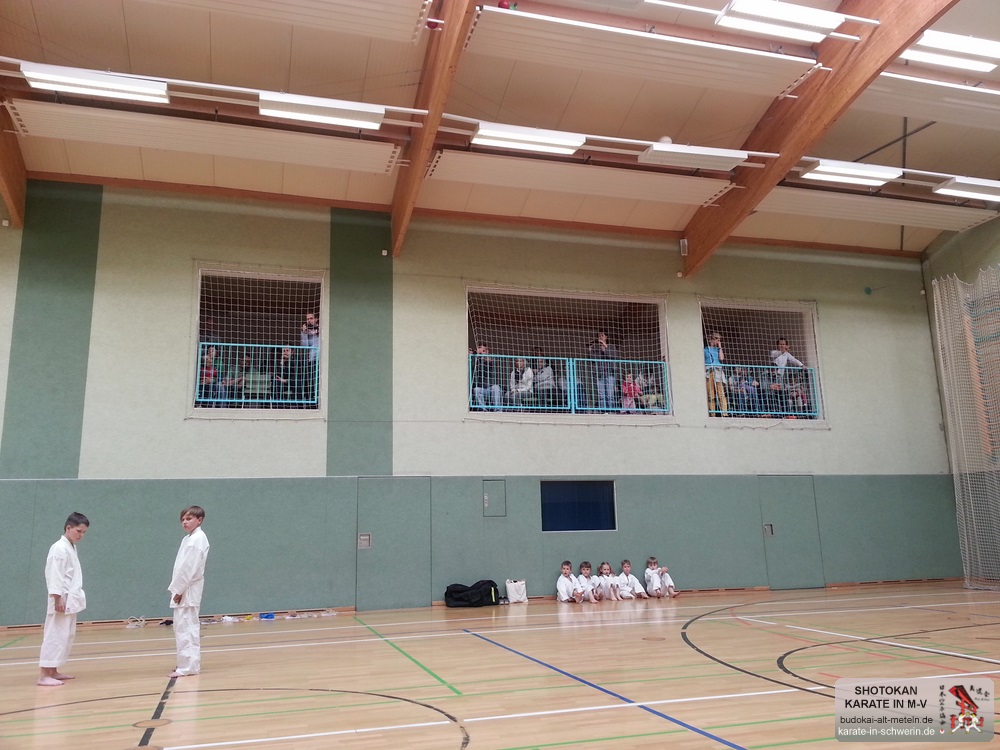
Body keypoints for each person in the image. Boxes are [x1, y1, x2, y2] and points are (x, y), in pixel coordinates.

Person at [38, 512, 89, 687]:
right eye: (78, 531)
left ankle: (53, 671)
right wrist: (57, 597)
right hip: (60, 599)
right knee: (54, 635)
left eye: (83, 532)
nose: (81, 535)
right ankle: (43, 675)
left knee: (64, 636)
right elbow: (54, 575)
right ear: (68, 528)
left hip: (69, 599)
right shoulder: (59, 548)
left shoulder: (70, 547)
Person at [168, 505, 211, 677]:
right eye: (183, 520)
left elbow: (189, 568)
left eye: (189, 519)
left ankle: (188, 667)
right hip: (184, 588)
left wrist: (179, 590)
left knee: (186, 628)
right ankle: (187, 663)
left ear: (199, 520)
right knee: (182, 628)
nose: (185, 522)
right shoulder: (188, 539)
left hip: (188, 589)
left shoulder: (198, 539)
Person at [588, 331, 619, 412]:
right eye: (599, 336)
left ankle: (611, 411)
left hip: (610, 373)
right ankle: (603, 411)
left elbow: (613, 356)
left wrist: (605, 347)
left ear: (606, 337)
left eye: (602, 335)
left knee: (610, 395)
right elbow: (592, 359)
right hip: (600, 374)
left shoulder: (611, 346)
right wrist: (590, 350)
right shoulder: (596, 348)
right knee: (601, 395)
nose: (600, 337)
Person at [471, 344, 503, 410]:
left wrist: (482, 356)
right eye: (480, 350)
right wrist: (475, 354)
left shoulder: (490, 359)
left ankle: (497, 410)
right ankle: (483, 410)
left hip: (490, 388)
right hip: (481, 388)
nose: (482, 352)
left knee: (496, 387)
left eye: (484, 350)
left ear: (487, 351)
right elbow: (474, 366)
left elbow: (488, 364)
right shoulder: (476, 359)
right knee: (476, 390)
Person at [704, 332, 728, 416]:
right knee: (711, 394)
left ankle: (724, 413)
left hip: (718, 370)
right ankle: (712, 413)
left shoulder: (718, 350)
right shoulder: (705, 350)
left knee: (721, 392)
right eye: (718, 340)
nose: (718, 342)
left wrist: (720, 347)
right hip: (709, 371)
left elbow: (721, 358)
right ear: (713, 340)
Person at [300, 313, 320, 403]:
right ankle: (311, 402)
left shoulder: (322, 328)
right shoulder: (307, 331)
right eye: (307, 319)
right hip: (312, 359)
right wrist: (304, 333)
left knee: (319, 382)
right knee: (311, 382)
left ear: (316, 319)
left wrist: (317, 332)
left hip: (322, 359)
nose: (309, 320)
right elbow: (305, 346)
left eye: (311, 318)